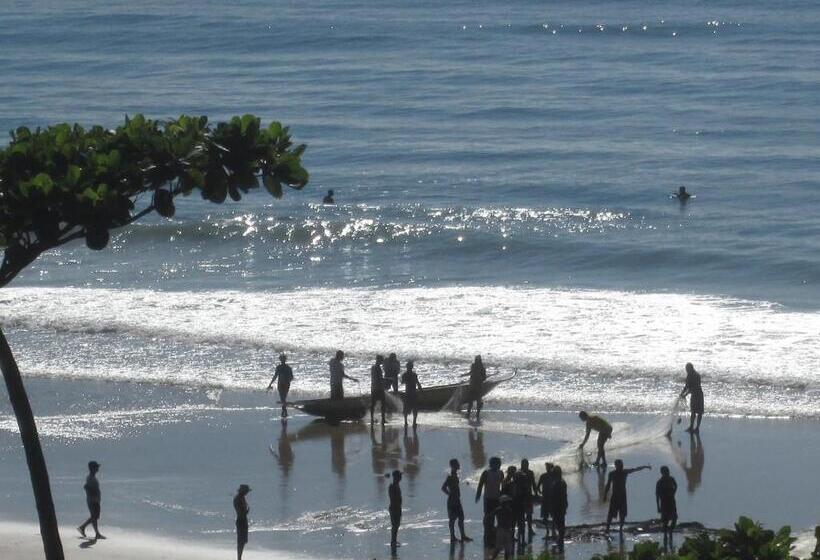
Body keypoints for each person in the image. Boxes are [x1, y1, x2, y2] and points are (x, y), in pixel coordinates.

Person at [603, 460, 651, 534]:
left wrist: (645, 466)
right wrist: (605, 495)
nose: (621, 466)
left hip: (622, 495)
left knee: (622, 514)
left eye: (622, 465)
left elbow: (636, 469)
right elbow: (608, 485)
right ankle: (607, 529)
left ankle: (621, 529)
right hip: (615, 495)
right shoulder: (612, 474)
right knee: (611, 513)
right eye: (619, 465)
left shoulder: (624, 472)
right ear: (616, 466)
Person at [476, 456, 504, 548]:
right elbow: (480, 485)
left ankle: (494, 535)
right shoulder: (486, 473)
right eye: (498, 464)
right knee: (488, 518)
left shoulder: (501, 473)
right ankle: (487, 535)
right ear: (492, 464)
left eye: (499, 464)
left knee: (499, 518)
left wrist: (503, 497)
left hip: (497, 499)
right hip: (488, 499)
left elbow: (502, 486)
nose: (499, 465)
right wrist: (478, 495)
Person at [441, 459, 472, 542]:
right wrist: (450, 494)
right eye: (457, 464)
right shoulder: (450, 476)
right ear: (453, 465)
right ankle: (453, 537)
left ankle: (462, 535)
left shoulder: (455, 475)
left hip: (456, 500)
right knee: (453, 519)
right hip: (453, 501)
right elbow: (443, 488)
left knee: (460, 517)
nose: (459, 465)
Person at [77, 460, 104, 540]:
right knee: (94, 516)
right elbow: (87, 488)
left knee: (94, 517)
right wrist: (94, 494)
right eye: (96, 467)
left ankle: (93, 531)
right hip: (93, 500)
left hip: (94, 499)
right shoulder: (90, 478)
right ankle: (86, 529)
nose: (98, 468)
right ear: (93, 468)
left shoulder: (92, 478)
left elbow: (86, 487)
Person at [487, 495, 515, 560]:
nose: (508, 503)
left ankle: (492, 559)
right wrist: (512, 530)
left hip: (500, 529)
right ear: (504, 502)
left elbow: (489, 516)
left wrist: (492, 526)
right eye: (507, 501)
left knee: (498, 548)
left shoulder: (497, 510)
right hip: (507, 530)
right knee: (507, 549)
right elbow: (511, 521)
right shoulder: (509, 510)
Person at [266, 353, 294, 418]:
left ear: (285, 359)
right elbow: (275, 376)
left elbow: (291, 377)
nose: (282, 360)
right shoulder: (278, 367)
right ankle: (284, 412)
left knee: (283, 398)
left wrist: (287, 380)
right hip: (280, 384)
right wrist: (270, 384)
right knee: (282, 398)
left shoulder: (288, 368)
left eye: (283, 359)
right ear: (280, 359)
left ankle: (284, 411)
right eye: (281, 359)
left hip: (286, 384)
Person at [656, 465, 678, 544]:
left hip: (671, 501)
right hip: (664, 502)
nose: (667, 473)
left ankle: (670, 532)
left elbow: (676, 486)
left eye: (667, 471)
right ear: (662, 473)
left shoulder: (671, 479)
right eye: (665, 472)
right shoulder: (660, 482)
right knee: (665, 520)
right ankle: (665, 534)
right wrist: (658, 506)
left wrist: (673, 492)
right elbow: (657, 495)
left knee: (674, 518)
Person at [680, 362, 704, 433]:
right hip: (694, 395)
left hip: (698, 395)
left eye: (687, 369)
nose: (686, 370)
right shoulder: (689, 375)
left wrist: (685, 394)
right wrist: (681, 394)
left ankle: (697, 428)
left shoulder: (696, 375)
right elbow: (686, 386)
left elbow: (694, 388)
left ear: (691, 368)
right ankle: (691, 427)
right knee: (693, 412)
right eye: (686, 369)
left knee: (699, 412)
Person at [536, 462, 556, 540]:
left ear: (551, 468)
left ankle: (553, 531)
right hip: (545, 498)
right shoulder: (543, 476)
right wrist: (540, 493)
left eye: (548, 467)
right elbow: (538, 487)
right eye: (546, 467)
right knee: (545, 517)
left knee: (553, 515)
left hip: (552, 498)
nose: (547, 468)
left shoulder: (554, 475)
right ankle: (548, 531)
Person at [551, 466, 568, 552]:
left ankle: (560, 540)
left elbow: (554, 497)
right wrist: (565, 505)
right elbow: (565, 496)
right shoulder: (562, 482)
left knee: (558, 523)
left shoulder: (556, 483)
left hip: (557, 506)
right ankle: (560, 539)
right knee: (560, 523)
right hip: (561, 505)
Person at [519, 458, 537, 540]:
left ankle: (530, 529)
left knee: (529, 514)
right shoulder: (518, 473)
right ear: (521, 465)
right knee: (521, 515)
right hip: (520, 496)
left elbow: (533, 483)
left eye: (526, 464)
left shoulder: (530, 473)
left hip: (529, 495)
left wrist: (536, 493)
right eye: (524, 464)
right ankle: (520, 530)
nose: (525, 466)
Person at [401, 360, 422, 428]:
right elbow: (417, 383)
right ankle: (414, 422)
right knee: (415, 409)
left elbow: (402, 382)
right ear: (412, 367)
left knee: (406, 409)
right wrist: (421, 390)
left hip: (408, 393)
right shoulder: (414, 374)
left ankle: (406, 422)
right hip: (413, 393)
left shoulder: (405, 374)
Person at [234, 484, 251, 560]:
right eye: (246, 491)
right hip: (241, 520)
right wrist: (246, 511)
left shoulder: (240, 498)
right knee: (241, 541)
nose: (247, 493)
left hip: (242, 520)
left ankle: (239, 557)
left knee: (243, 541)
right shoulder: (238, 498)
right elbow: (241, 511)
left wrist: (246, 511)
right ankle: (239, 558)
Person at [388, 470, 402, 554]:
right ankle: (393, 542)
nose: (401, 478)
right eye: (399, 476)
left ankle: (394, 541)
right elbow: (393, 498)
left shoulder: (396, 486)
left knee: (396, 525)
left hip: (397, 508)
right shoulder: (393, 486)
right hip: (394, 508)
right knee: (395, 525)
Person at [370, 354, 387, 424]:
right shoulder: (378, 368)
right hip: (379, 388)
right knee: (383, 404)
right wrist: (387, 380)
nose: (382, 362)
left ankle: (372, 419)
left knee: (373, 404)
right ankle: (383, 419)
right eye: (381, 361)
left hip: (374, 388)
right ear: (379, 360)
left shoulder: (373, 367)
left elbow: (375, 378)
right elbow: (379, 378)